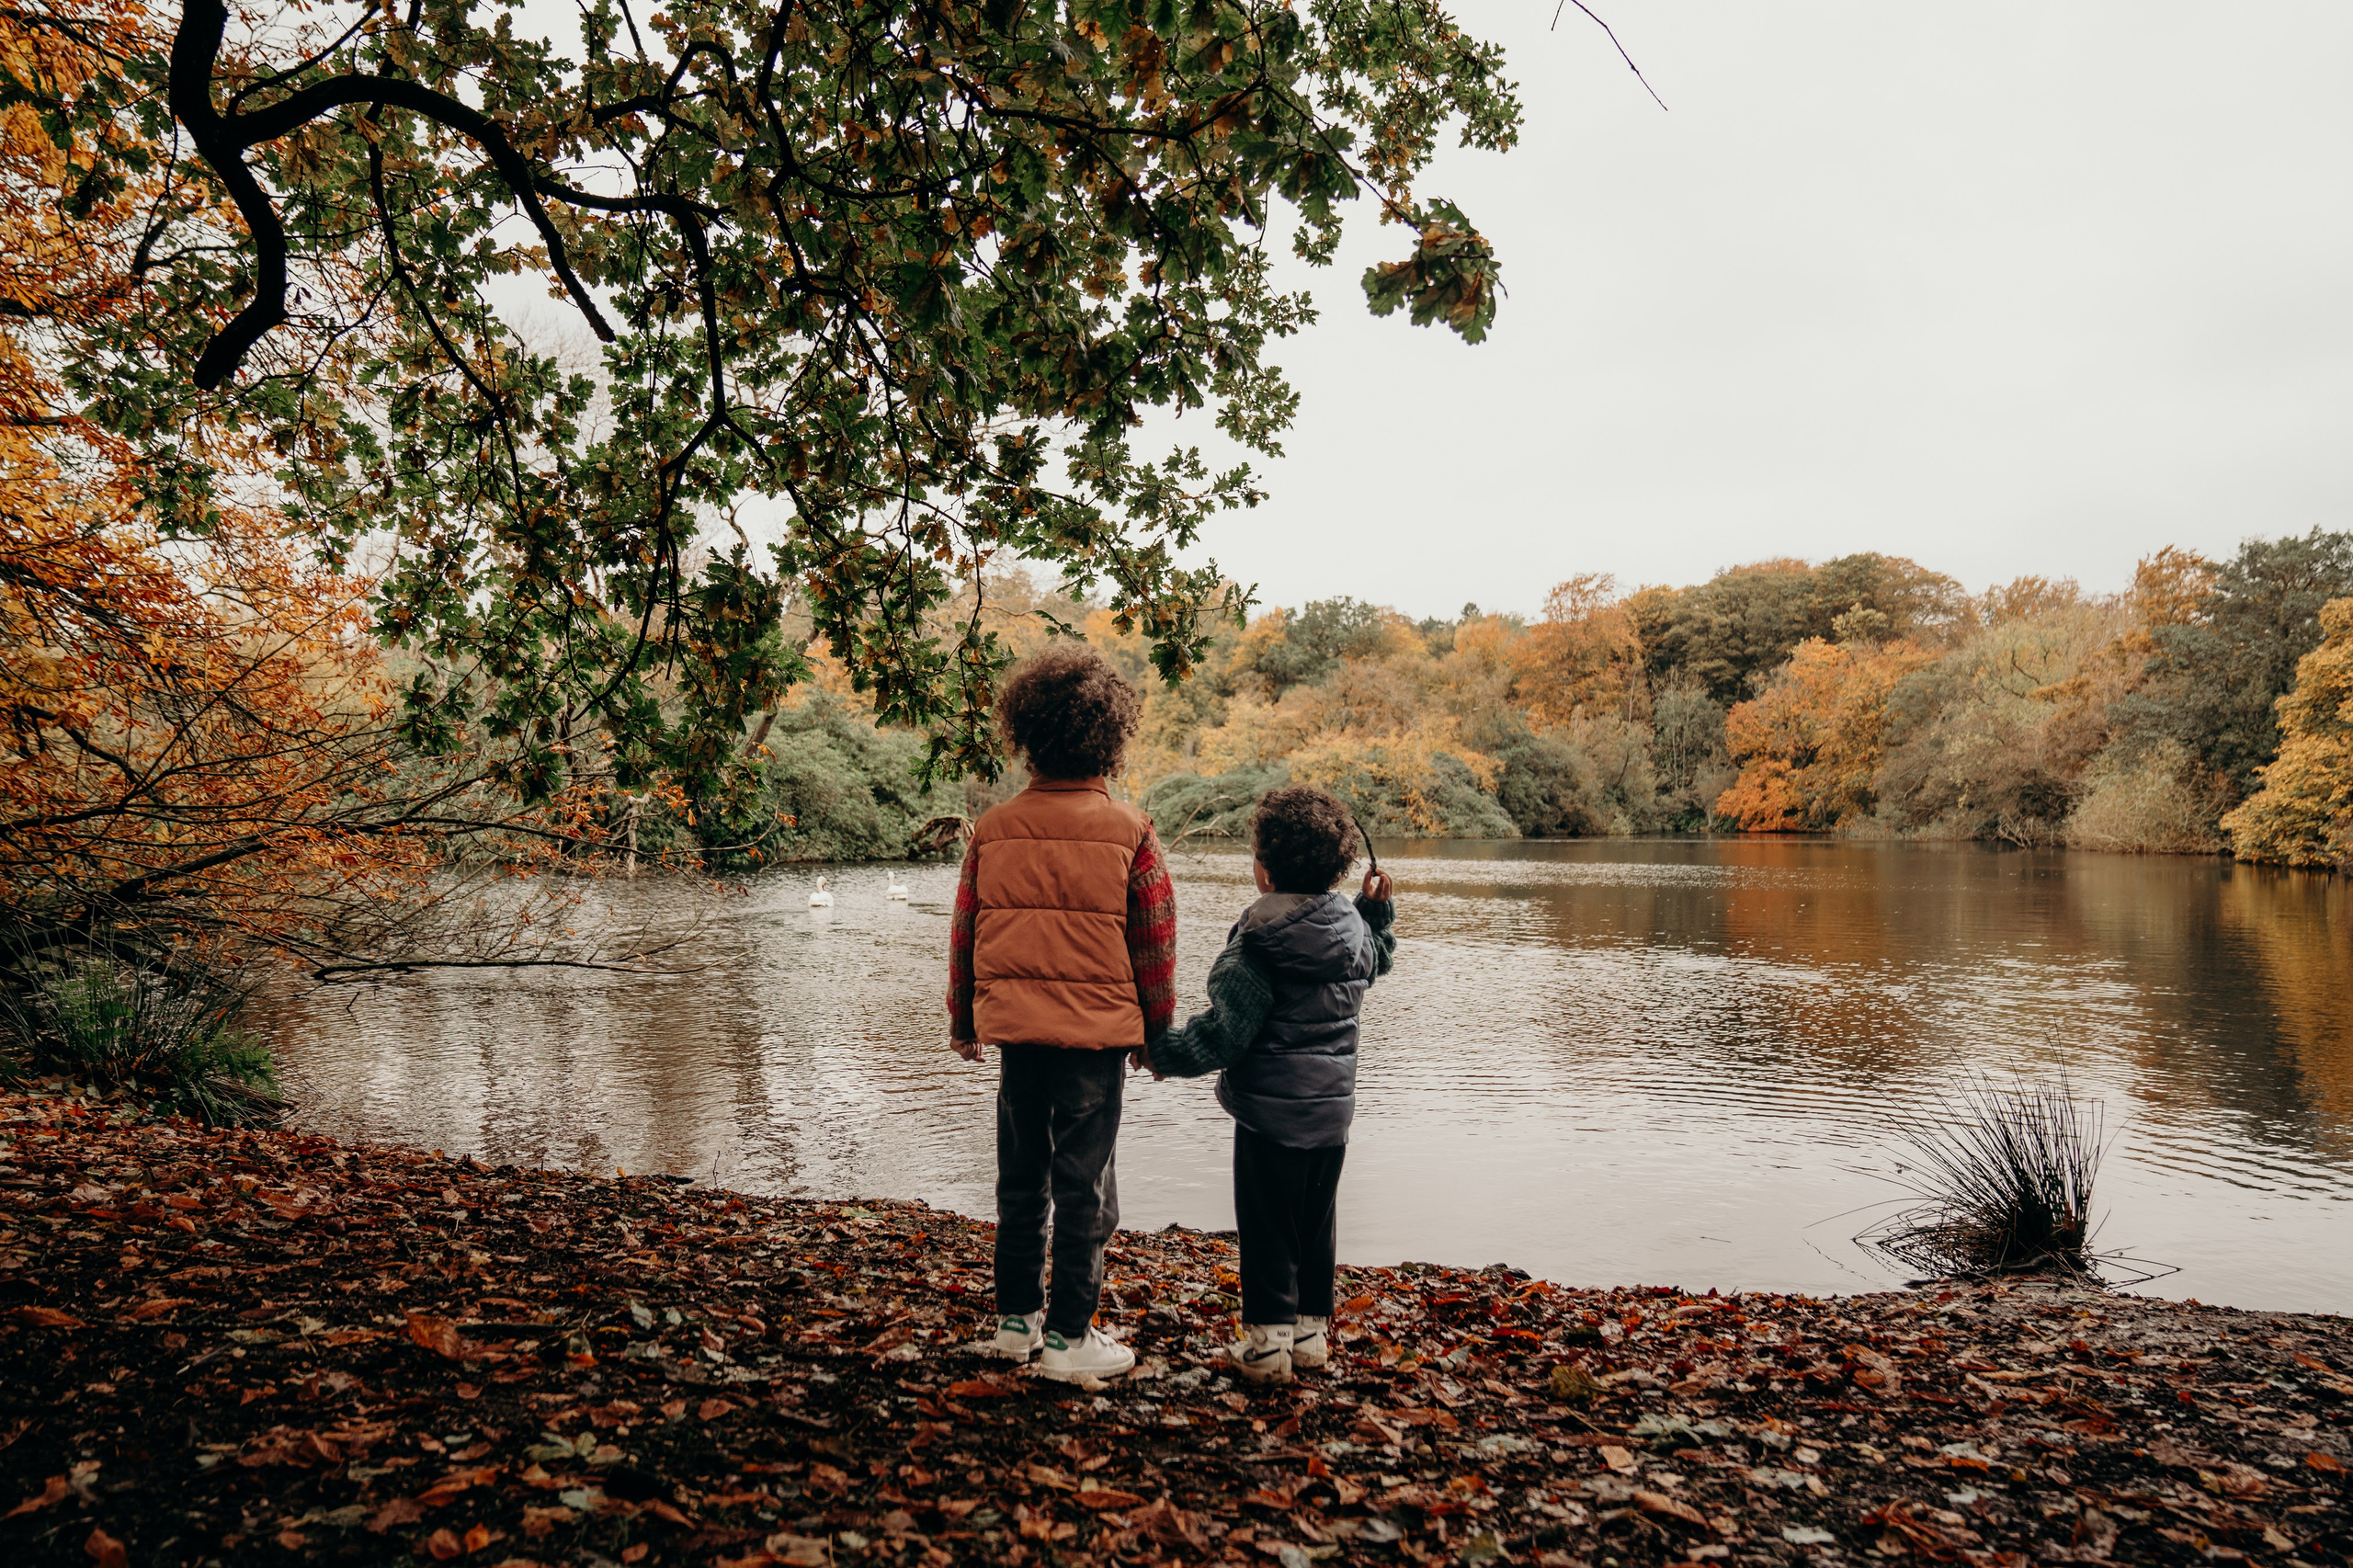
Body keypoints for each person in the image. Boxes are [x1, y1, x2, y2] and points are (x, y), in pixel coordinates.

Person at [947, 644, 1176, 1382]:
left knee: (1021, 1182)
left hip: (1018, 1034)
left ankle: (1017, 1322)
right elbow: (1154, 939)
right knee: (1086, 1188)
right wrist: (1156, 1028)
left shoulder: (993, 828)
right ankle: (1070, 1337)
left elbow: (967, 931)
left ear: (1028, 738)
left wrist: (964, 1019)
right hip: (1096, 1042)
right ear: (1108, 737)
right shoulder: (1130, 829)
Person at [1142, 786, 1394, 1384]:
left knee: (1267, 1229)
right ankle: (1310, 1337)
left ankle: (1266, 1347)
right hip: (1332, 1115)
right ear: (1339, 867)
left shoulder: (1257, 940)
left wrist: (1160, 1051)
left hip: (1269, 1118)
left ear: (1262, 869)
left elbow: (1225, 1036)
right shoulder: (1353, 932)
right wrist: (1376, 908)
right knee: (1315, 1223)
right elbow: (1379, 957)